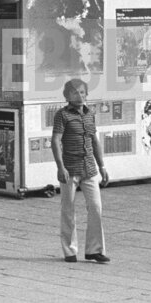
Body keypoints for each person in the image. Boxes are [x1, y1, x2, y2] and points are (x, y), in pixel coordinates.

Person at [51, 78, 110, 263]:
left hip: (89, 168)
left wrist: (102, 167)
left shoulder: (89, 114)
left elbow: (94, 140)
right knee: (68, 210)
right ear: (67, 95)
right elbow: (55, 141)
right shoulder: (62, 115)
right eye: (75, 92)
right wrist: (60, 167)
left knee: (96, 208)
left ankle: (94, 250)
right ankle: (70, 251)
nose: (80, 95)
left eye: (83, 92)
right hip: (69, 168)